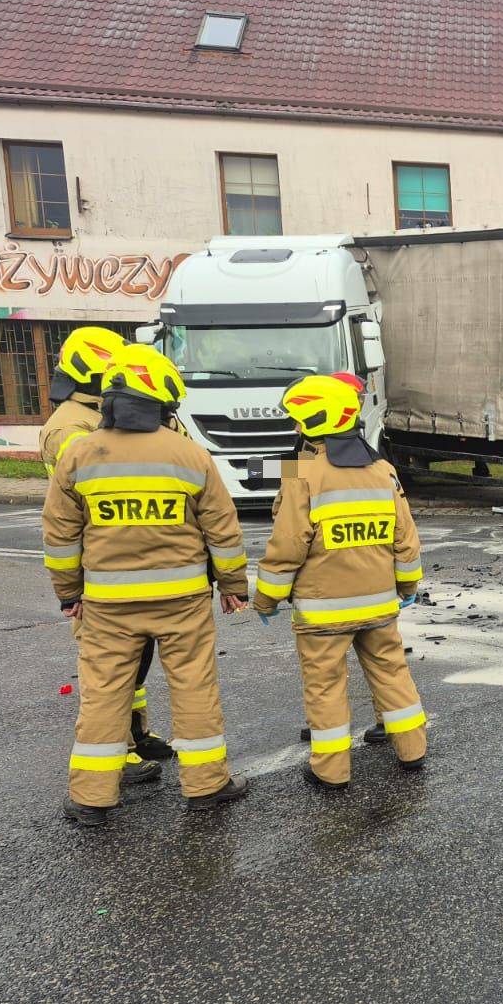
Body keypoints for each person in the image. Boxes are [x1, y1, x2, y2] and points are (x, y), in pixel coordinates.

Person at [42, 346, 251, 825]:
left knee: (103, 694)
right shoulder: (189, 454)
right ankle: (206, 785)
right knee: (194, 687)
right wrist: (233, 585)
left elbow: (60, 534)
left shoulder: (80, 454)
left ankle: (92, 797)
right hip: (182, 602)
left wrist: (68, 592)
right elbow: (222, 530)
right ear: (161, 400)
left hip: (108, 604)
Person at [252, 374, 427, 789]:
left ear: (315, 422)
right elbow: (406, 540)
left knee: (326, 688)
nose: (295, 428)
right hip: (379, 606)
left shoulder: (304, 475)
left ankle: (331, 771)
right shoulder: (383, 471)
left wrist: (266, 599)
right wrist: (407, 588)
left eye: (298, 421)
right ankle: (413, 750)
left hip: (323, 613)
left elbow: (287, 547)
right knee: (392, 675)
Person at [39, 327, 175, 780]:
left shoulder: (101, 414)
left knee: (137, 658)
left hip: (131, 557)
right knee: (109, 670)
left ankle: (137, 734)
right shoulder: (70, 426)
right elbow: (98, 485)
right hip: (100, 564)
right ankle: (115, 755)